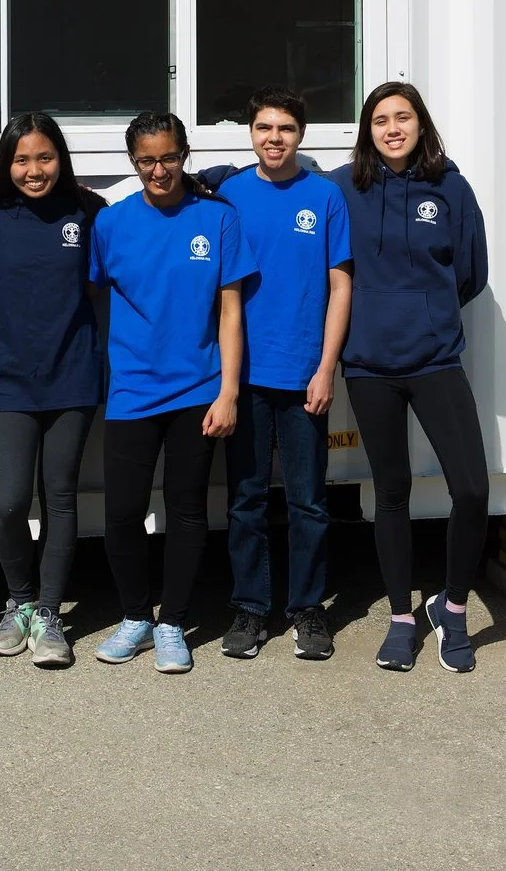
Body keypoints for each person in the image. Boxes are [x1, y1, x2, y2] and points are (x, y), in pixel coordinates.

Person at [331, 81, 491, 674]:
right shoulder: (343, 188)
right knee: (390, 491)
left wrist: (428, 310)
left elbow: (470, 272)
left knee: (471, 489)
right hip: (370, 365)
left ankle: (451, 608)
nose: (392, 128)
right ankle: (401, 616)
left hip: (434, 360)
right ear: (367, 131)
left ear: (421, 124)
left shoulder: (449, 185)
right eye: (380, 119)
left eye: (403, 117)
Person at [90, 110, 254, 673]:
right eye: (147, 160)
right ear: (132, 162)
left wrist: (229, 391)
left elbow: (231, 312)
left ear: (186, 154)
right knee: (122, 513)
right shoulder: (111, 225)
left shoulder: (217, 218)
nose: (159, 170)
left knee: (186, 511)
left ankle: (173, 623)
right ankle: (135, 617)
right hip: (132, 392)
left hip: (199, 391)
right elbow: (76, 297)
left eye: (169, 157)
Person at [198, 90, 352, 663]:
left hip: (305, 373)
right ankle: (251, 607)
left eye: (286, 128)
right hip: (244, 376)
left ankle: (308, 609)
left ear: (301, 135)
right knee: (245, 499)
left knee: (310, 501)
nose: (274, 138)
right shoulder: (229, 195)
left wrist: (325, 368)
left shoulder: (325, 197)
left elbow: (341, 287)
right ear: (250, 133)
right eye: (264, 127)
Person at [0, 112, 104, 668]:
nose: (34, 170)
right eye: (21, 160)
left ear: (61, 159)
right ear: (4, 163)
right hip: (8, 376)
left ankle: (50, 612)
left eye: (45, 157)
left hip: (73, 373)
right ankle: (17, 602)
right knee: (10, 500)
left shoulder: (86, 211)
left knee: (60, 497)